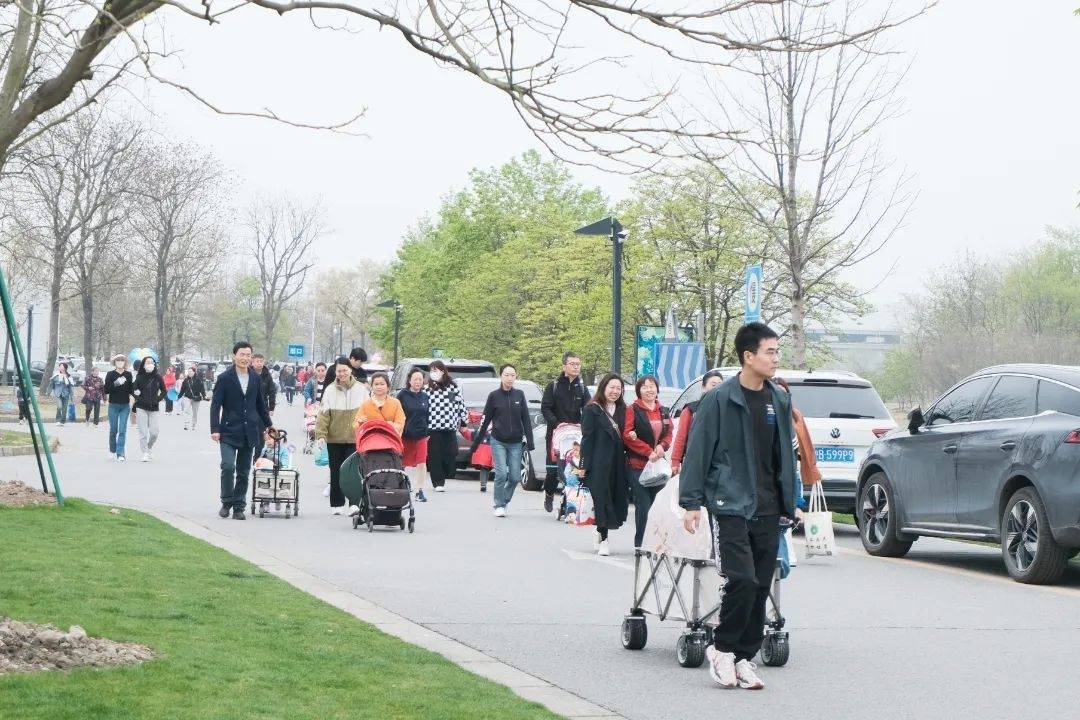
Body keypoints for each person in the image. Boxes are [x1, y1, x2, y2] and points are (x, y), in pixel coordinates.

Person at [680, 322, 798, 691]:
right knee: (742, 579)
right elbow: (697, 450)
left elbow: (784, 456)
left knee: (762, 583)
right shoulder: (719, 399)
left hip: (768, 504)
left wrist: (789, 500)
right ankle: (721, 649)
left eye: (777, 352)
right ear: (748, 357)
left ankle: (744, 657)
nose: (776, 358)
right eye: (770, 352)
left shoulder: (778, 398)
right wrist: (692, 502)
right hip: (728, 501)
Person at [210, 341, 275, 520]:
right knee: (228, 466)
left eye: (248, 355)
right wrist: (215, 428)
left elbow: (260, 405)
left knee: (244, 471)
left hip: (250, 431)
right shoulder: (224, 378)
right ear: (234, 356)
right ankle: (226, 501)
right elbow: (215, 405)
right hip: (228, 430)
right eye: (242, 354)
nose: (245, 358)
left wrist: (269, 426)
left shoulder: (255, 378)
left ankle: (239, 506)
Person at [469, 364, 533, 518]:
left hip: (516, 442)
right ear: (501, 376)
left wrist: (530, 442)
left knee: (515, 477)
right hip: (498, 440)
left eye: (512, 375)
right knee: (501, 474)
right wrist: (475, 444)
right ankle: (499, 505)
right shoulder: (494, 396)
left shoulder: (519, 395)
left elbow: (526, 419)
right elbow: (485, 421)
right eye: (506, 375)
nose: (510, 378)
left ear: (516, 376)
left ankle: (504, 499)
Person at [580, 373, 629, 557]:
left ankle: (600, 531)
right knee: (602, 499)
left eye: (618, 388)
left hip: (618, 463)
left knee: (615, 498)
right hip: (598, 463)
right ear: (603, 387)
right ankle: (604, 538)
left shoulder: (624, 409)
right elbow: (587, 438)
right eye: (612, 387)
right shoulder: (592, 409)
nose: (615, 391)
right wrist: (583, 465)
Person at [623, 375, 673, 549]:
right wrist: (647, 451)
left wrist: (662, 447)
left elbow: (669, 433)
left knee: (660, 504)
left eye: (652, 386)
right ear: (639, 391)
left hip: (658, 465)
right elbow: (628, 435)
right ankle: (641, 543)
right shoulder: (633, 409)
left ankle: (659, 543)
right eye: (645, 387)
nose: (649, 390)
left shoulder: (663, 410)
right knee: (643, 505)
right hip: (638, 465)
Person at [315, 359, 369, 515]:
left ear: (350, 370)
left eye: (345, 370)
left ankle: (354, 503)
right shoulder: (330, 390)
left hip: (354, 438)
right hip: (334, 438)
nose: (342, 373)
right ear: (335, 372)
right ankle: (337, 503)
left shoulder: (361, 390)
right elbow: (323, 415)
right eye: (339, 371)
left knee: (353, 472)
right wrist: (321, 435)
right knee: (336, 471)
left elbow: (368, 412)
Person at [540, 351, 591, 513]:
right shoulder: (553, 386)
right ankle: (549, 493)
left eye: (578, 364)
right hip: (556, 435)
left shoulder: (582, 388)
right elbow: (545, 408)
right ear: (564, 366)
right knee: (553, 471)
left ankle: (568, 504)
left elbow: (589, 408)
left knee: (572, 470)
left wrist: (584, 425)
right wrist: (556, 423)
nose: (576, 367)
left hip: (575, 436)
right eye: (572, 364)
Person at [671, 370, 725, 476]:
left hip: (719, 465)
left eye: (720, 385)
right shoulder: (691, 409)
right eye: (713, 384)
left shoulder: (727, 409)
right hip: (695, 462)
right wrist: (675, 461)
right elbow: (681, 436)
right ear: (703, 387)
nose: (718, 388)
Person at [425, 360, 468, 492]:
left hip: (449, 427)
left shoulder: (453, 388)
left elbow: (461, 405)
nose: (434, 373)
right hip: (433, 427)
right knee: (435, 455)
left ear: (443, 371)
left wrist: (464, 422)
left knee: (451, 453)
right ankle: (438, 482)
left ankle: (446, 472)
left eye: (436, 370)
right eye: (431, 370)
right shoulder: (427, 389)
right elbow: (423, 408)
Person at [397, 368, 432, 502]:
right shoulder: (402, 395)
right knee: (402, 462)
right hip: (405, 434)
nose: (418, 382)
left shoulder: (425, 396)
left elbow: (428, 415)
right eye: (415, 379)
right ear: (409, 380)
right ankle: (400, 484)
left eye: (420, 379)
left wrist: (428, 431)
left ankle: (419, 490)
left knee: (422, 463)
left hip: (421, 434)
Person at [132, 356, 166, 462]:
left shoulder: (158, 377)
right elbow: (134, 391)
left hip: (154, 408)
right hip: (141, 407)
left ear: (155, 364)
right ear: (144, 365)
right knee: (143, 432)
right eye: (147, 362)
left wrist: (158, 399)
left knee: (154, 432)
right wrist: (140, 399)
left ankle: (149, 447)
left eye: (152, 362)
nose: (150, 364)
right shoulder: (139, 377)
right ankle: (145, 453)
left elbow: (164, 390)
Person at [103, 355, 133, 461]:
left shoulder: (128, 375)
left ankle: (120, 453)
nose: (120, 362)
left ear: (125, 362)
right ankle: (112, 450)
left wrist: (137, 390)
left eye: (122, 360)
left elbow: (131, 389)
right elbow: (106, 390)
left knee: (122, 430)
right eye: (118, 360)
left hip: (125, 405)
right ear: (114, 362)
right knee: (113, 430)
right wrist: (116, 383)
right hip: (113, 405)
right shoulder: (110, 374)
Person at [251, 353, 277, 467]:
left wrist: (271, 407)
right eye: (257, 361)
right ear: (252, 362)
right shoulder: (248, 373)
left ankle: (257, 458)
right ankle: (247, 454)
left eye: (261, 361)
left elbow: (272, 391)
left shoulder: (267, 375)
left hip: (263, 409)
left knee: (261, 433)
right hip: (249, 408)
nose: (259, 363)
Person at [179, 366, 209, 431]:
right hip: (188, 397)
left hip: (196, 398)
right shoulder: (186, 380)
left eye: (191, 371)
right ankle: (186, 424)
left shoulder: (198, 379)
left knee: (195, 412)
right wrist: (179, 396)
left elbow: (202, 389)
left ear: (194, 372)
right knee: (186, 410)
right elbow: (182, 389)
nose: (189, 373)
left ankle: (193, 424)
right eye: (188, 372)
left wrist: (204, 396)